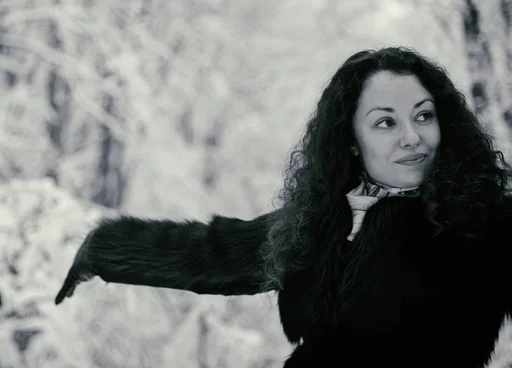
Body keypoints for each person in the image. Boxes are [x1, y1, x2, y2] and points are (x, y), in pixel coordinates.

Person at [55, 47, 512, 368]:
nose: (412, 136)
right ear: (351, 141)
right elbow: (213, 253)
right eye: (385, 122)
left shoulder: (489, 222)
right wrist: (104, 249)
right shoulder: (321, 219)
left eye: (423, 115)